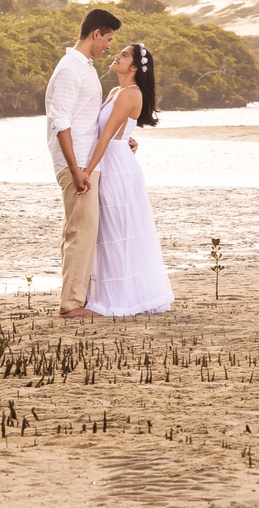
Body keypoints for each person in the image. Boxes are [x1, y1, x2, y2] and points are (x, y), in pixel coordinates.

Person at [78, 43, 174, 316]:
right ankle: (106, 294)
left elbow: (107, 136)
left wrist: (85, 172)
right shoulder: (114, 91)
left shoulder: (131, 94)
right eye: (118, 51)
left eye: (124, 55)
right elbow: (109, 131)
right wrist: (127, 140)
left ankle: (120, 299)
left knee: (116, 230)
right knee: (107, 231)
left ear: (134, 67)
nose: (117, 56)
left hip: (116, 166)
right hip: (112, 157)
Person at [44, 8, 121, 319]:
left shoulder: (86, 67)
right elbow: (59, 120)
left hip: (87, 161)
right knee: (82, 230)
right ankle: (71, 305)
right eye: (109, 39)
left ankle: (77, 299)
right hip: (75, 162)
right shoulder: (69, 69)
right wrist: (76, 169)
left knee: (81, 229)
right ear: (95, 34)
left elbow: (89, 117)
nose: (110, 46)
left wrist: (121, 138)